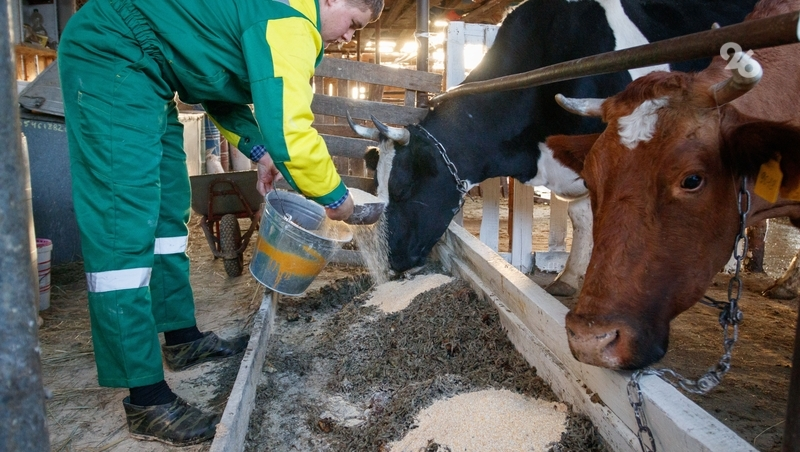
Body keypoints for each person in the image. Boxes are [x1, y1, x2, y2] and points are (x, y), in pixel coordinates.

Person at [57, 0, 382, 445]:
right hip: (116, 54)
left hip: (157, 76)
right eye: (354, 22)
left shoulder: (270, 21)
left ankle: (182, 337)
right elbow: (292, 130)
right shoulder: (290, 21)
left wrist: (259, 152)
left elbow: (214, 91)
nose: (349, 36)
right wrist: (338, 201)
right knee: (123, 222)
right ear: (330, 0)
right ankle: (146, 399)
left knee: (169, 213)